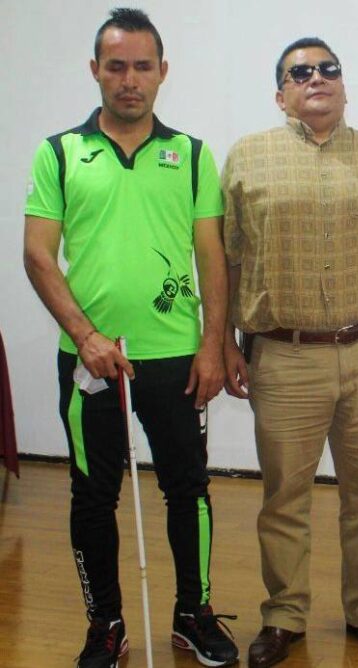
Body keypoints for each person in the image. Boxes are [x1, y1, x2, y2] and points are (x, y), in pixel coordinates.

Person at [22, 8, 237, 667]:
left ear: (162, 71)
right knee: (93, 496)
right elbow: (37, 254)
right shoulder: (60, 152)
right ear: (95, 70)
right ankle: (106, 624)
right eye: (116, 66)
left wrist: (212, 346)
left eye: (143, 66)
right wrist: (85, 336)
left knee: (188, 488)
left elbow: (213, 259)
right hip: (91, 362)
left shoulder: (192, 156)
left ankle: (193, 614)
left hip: (175, 359)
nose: (129, 79)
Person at [221, 37, 358, 664]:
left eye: (328, 69)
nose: (316, 78)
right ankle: (285, 615)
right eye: (300, 73)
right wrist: (224, 342)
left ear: (343, 85)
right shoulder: (246, 158)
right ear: (280, 94)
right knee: (284, 498)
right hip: (283, 357)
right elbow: (227, 261)